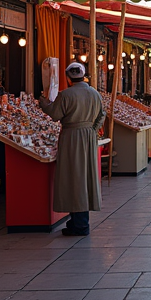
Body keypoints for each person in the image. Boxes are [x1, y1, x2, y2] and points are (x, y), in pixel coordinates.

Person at [38, 61, 105, 236]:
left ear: (68, 78)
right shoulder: (94, 94)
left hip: (71, 137)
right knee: (85, 177)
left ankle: (80, 224)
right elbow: (102, 114)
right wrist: (93, 129)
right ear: (84, 76)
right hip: (89, 136)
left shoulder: (66, 95)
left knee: (74, 177)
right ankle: (79, 221)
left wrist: (44, 103)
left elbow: (55, 114)